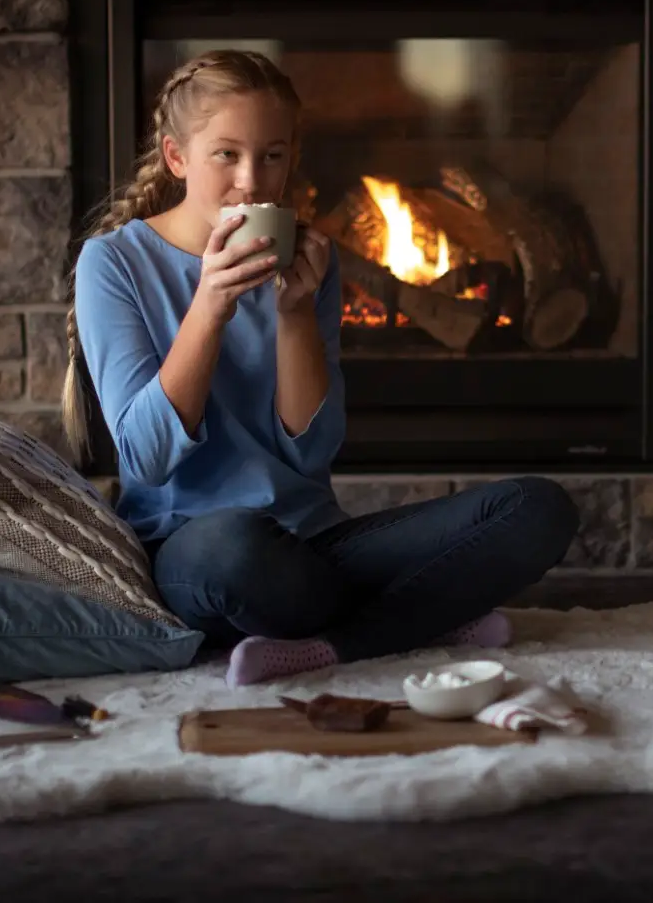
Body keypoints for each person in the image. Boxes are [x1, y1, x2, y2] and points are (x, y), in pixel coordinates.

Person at [60, 49, 579, 687]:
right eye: (227, 154)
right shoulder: (113, 264)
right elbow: (144, 458)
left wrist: (296, 314)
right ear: (176, 158)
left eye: (272, 155)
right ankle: (424, 615)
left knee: (538, 507)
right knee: (238, 550)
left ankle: (332, 645)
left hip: (315, 543)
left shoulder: (310, 260)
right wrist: (211, 304)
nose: (252, 181)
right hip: (195, 548)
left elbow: (311, 456)